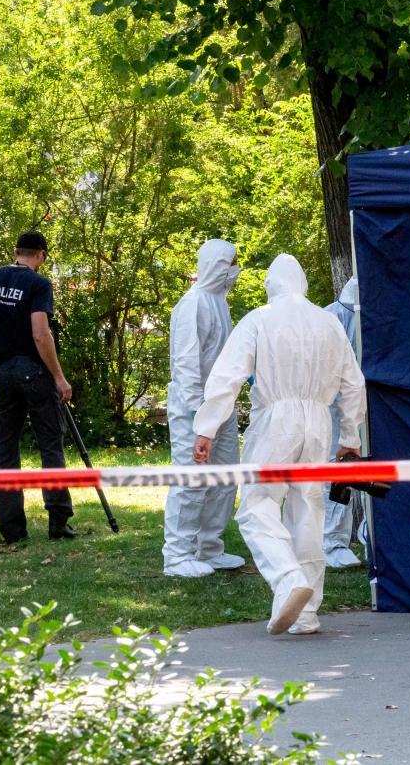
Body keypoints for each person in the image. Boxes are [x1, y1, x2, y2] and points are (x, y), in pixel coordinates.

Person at [192, 254, 365, 635]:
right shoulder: (330, 322)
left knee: (257, 506)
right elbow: (354, 383)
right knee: (308, 508)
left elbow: (228, 375)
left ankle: (288, 579)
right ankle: (305, 614)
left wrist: (205, 427)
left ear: (272, 284)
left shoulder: (260, 319)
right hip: (319, 422)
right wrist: (350, 438)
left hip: (276, 421)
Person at [0, 231, 74, 544]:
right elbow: (41, 334)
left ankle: (12, 531)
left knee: (4, 449)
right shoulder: (39, 284)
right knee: (51, 444)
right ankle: (58, 524)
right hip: (34, 372)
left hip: (2, 374)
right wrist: (59, 377)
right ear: (40, 255)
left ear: (16, 251)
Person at [163, 239, 245, 578]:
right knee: (192, 478)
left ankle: (209, 547)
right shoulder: (193, 303)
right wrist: (200, 417)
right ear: (214, 264)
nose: (235, 270)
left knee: (225, 478)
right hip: (193, 409)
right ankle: (177, 556)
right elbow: (186, 364)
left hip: (222, 406)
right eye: (230, 263)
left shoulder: (219, 303)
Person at [322, 276, 364, 568]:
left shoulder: (369, 317)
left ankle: (364, 530)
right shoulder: (331, 318)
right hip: (333, 408)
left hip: (361, 405)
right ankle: (332, 541)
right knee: (338, 468)